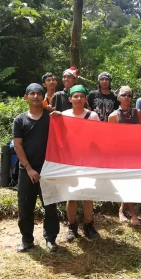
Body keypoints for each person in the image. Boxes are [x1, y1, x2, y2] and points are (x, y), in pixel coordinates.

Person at [13, 83, 59, 253]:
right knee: (25, 207)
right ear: (26, 97)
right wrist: (29, 168)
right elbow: (18, 146)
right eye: (31, 93)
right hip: (27, 171)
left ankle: (51, 239)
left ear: (43, 97)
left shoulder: (51, 117)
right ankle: (27, 240)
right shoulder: (20, 120)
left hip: (49, 169)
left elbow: (63, 135)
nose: (35, 96)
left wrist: (60, 115)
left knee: (50, 207)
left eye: (39, 93)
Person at [52, 85, 101, 242]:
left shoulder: (93, 116)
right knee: (71, 196)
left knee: (87, 194)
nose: (78, 99)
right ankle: (72, 227)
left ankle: (88, 225)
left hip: (87, 160)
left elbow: (99, 137)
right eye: (75, 96)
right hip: (70, 161)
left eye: (81, 96)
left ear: (85, 99)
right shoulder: (64, 115)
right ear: (70, 99)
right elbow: (57, 136)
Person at [108, 86, 141, 226]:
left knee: (132, 183)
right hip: (121, 154)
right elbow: (111, 137)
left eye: (129, 94)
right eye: (124, 94)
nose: (127, 97)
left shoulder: (138, 112)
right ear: (118, 97)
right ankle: (133, 215)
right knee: (126, 182)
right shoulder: (113, 116)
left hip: (135, 152)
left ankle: (121, 209)